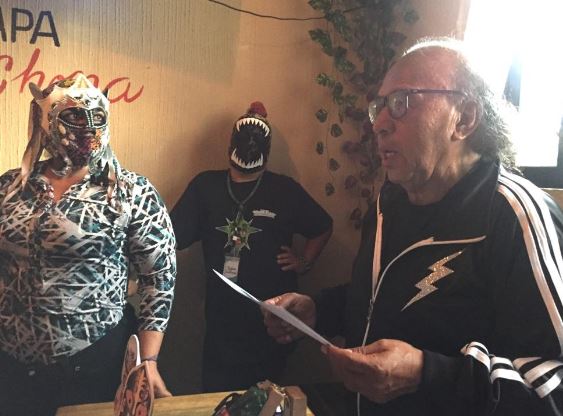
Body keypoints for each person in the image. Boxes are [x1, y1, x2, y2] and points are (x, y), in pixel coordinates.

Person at [263, 37, 563, 416]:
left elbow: (553, 386)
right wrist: (318, 310)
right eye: (379, 107)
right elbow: (383, 298)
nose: (379, 124)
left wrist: (427, 374)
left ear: (464, 118)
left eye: (402, 102)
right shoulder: (389, 202)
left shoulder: (514, 214)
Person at [0, 74, 177, 416]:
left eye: (97, 117)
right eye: (75, 117)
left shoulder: (131, 192)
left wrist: (149, 361)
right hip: (13, 365)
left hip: (93, 362)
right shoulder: (10, 187)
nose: (89, 128)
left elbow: (159, 278)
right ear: (44, 120)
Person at [170, 101, 332, 392]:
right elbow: (171, 237)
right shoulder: (205, 187)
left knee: (266, 398)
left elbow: (322, 225)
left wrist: (305, 262)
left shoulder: (284, 190)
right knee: (218, 396)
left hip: (272, 322)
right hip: (222, 322)